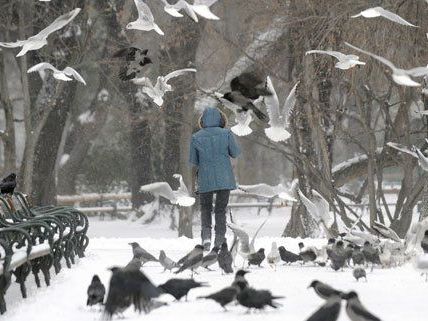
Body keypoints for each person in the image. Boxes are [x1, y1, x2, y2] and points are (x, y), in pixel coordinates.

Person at [189, 107, 240, 251]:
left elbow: (194, 160)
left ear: (203, 121)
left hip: (205, 178)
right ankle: (219, 239)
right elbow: (235, 153)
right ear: (220, 119)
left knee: (205, 209)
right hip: (224, 177)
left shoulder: (196, 137)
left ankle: (206, 237)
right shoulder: (227, 133)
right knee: (220, 209)